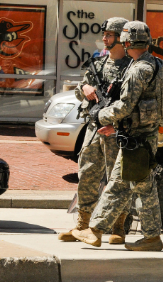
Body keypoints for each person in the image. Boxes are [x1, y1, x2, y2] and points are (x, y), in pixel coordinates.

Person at [72, 20, 163, 251]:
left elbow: (124, 107)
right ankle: (152, 237)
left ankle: (94, 231)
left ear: (127, 42)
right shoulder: (158, 64)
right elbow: (159, 107)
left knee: (117, 185)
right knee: (145, 188)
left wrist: (99, 117)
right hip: (146, 135)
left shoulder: (137, 70)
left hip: (135, 138)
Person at [58, 17, 131, 244]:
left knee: (116, 180)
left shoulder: (131, 67)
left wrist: (117, 125)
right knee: (87, 175)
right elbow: (81, 89)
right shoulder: (97, 64)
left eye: (109, 35)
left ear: (121, 38)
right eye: (105, 34)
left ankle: (118, 228)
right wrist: (85, 87)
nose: (104, 38)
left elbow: (132, 103)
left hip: (115, 130)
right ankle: (81, 226)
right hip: (93, 128)